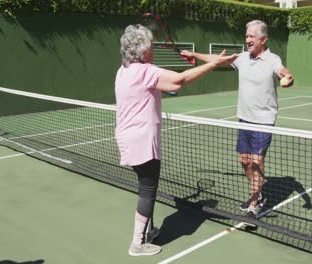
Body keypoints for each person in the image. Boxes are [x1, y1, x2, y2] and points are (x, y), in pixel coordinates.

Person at [115, 24, 237, 256]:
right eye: (150, 45)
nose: (152, 48)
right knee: (148, 190)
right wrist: (212, 64)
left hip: (126, 137)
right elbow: (178, 81)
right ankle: (138, 243)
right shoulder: (144, 71)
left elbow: (165, 82)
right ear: (142, 50)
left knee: (145, 186)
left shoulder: (124, 70)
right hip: (142, 140)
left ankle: (147, 232)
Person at [180, 20, 294, 216]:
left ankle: (253, 204)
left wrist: (288, 77)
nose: (248, 39)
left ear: (263, 39)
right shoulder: (242, 57)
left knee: (257, 162)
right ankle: (256, 194)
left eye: (252, 36)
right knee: (245, 162)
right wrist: (194, 55)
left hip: (264, 122)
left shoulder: (273, 59)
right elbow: (217, 60)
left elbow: (283, 72)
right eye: (247, 35)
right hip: (244, 119)